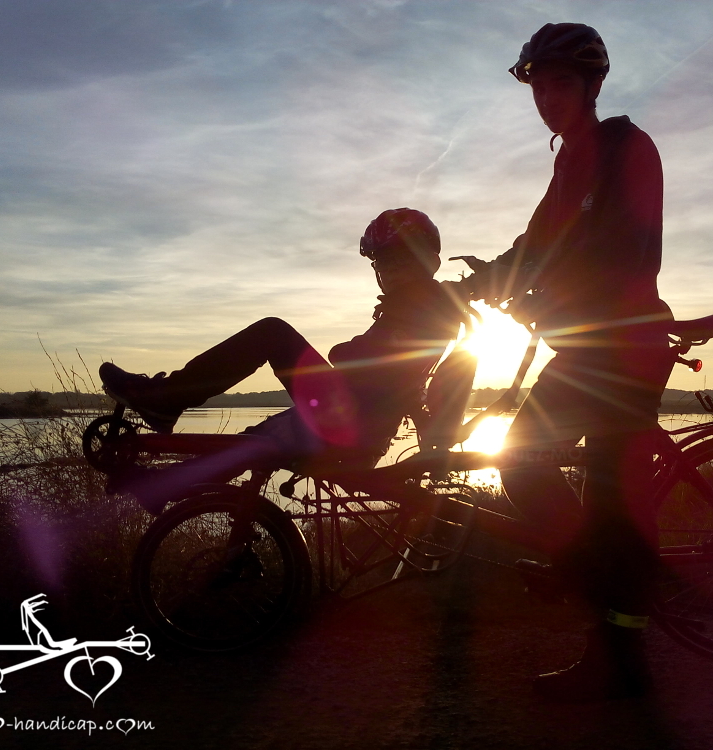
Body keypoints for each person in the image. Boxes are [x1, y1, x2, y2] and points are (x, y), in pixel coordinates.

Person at [462, 23, 674, 701]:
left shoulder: (625, 148)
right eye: (539, 84)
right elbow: (536, 243)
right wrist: (469, 287)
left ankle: (617, 631)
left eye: (561, 83)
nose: (548, 96)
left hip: (624, 349)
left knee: (543, 466)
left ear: (593, 85)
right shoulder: (570, 160)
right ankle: (608, 611)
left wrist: (550, 291)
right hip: (591, 348)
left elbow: (633, 255)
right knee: (573, 485)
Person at [99, 208, 470, 510]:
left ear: (427, 260)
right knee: (253, 442)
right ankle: (164, 481)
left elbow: (361, 363)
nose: (388, 270)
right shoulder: (421, 306)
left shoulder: (423, 307)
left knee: (272, 333)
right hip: (358, 420)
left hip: (353, 420)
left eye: (398, 260)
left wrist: (347, 350)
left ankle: (165, 404)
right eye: (382, 262)